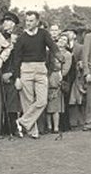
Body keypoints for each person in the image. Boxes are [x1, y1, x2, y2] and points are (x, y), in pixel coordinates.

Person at [14, 11, 64, 139]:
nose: (28, 23)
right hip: (25, 69)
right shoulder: (21, 38)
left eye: (31, 21)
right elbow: (16, 59)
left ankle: (22, 121)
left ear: (37, 22)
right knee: (28, 102)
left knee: (42, 101)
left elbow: (52, 46)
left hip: (41, 68)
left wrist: (59, 55)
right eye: (27, 20)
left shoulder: (43, 34)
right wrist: (17, 78)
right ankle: (32, 131)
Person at [46, 33, 72, 133]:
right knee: (47, 103)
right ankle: (48, 126)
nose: (61, 41)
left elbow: (66, 69)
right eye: (60, 39)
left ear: (67, 43)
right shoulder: (50, 52)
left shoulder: (67, 55)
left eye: (65, 40)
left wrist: (59, 75)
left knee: (56, 104)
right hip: (48, 76)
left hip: (59, 78)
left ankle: (56, 127)